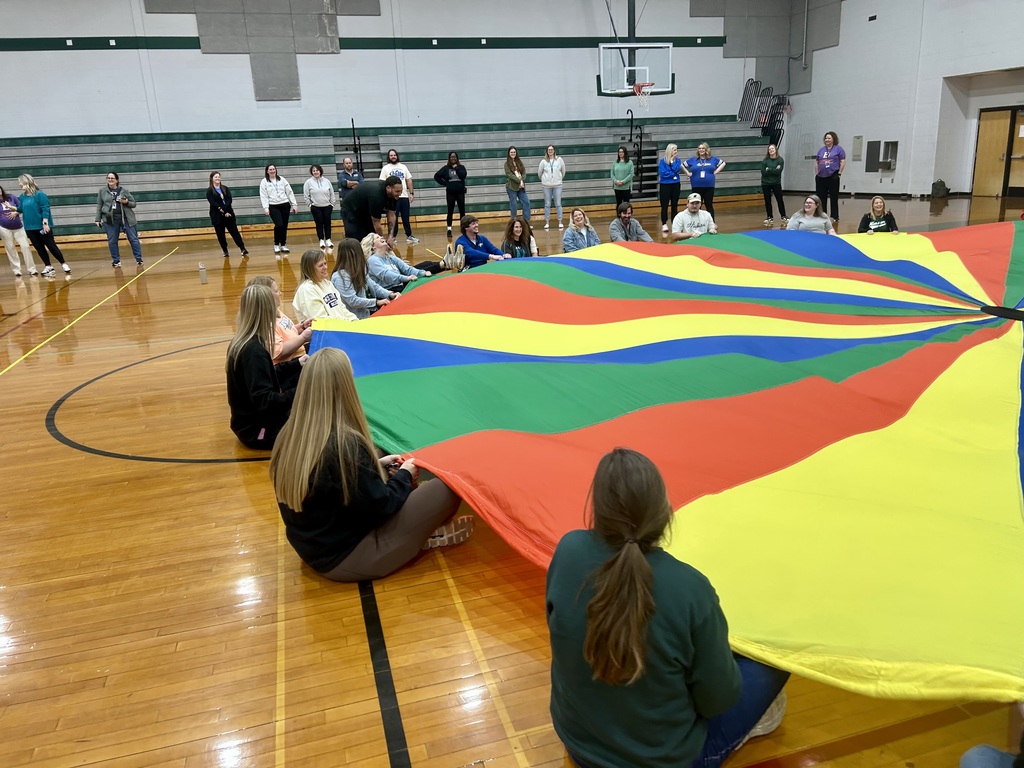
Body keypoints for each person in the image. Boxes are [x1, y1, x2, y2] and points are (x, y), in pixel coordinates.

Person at [547, 448, 790, 768]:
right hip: (666, 761)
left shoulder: (568, 550)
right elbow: (718, 700)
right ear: (664, 512)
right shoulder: (689, 588)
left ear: (598, 510)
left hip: (580, 744)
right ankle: (752, 725)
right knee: (777, 654)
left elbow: (563, 628)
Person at [270, 347, 473, 582]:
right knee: (449, 484)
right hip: (353, 556)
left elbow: (330, 483)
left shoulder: (290, 434)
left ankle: (421, 533)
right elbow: (382, 505)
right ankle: (423, 537)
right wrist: (404, 476)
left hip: (317, 547)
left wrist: (375, 466)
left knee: (382, 455)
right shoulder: (345, 444)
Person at [226, 283, 306, 450]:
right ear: (266, 312)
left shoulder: (243, 342)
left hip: (249, 424)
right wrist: (305, 388)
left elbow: (266, 375)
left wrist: (298, 364)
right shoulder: (253, 352)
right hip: (259, 431)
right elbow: (266, 402)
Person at [246, 275, 312, 363]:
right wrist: (303, 337)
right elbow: (279, 351)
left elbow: (285, 331)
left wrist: (302, 327)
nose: (280, 293)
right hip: (291, 365)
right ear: (267, 296)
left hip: (300, 355)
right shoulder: (265, 324)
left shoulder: (276, 311)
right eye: (276, 291)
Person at [362, 232, 454, 292]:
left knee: (424, 269)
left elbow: (408, 269)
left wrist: (422, 273)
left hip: (400, 285)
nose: (382, 237)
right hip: (391, 290)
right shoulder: (372, 260)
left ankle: (446, 264)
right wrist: (408, 278)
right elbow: (387, 276)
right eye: (378, 237)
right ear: (372, 246)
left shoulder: (389, 257)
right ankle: (445, 264)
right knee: (423, 280)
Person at [17, 174, 70, 276]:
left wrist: (45, 223)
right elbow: (21, 209)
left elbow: (45, 208)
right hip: (30, 227)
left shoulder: (39, 194)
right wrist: (12, 209)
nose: (19, 184)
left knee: (51, 245)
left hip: (42, 226)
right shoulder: (22, 197)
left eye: (21, 182)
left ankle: (63, 263)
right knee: (39, 248)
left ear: (27, 182)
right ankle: (48, 266)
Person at [332, 237, 397, 320]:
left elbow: (373, 286)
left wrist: (389, 294)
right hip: (352, 321)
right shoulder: (340, 277)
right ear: (352, 253)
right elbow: (353, 301)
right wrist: (376, 302)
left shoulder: (360, 269)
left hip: (366, 315)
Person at [292, 249, 357, 323]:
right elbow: (320, 320)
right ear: (310, 269)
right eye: (320, 265)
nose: (325, 267)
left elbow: (342, 308)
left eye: (325, 263)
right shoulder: (307, 289)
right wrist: (347, 322)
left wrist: (354, 321)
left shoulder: (327, 283)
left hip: (342, 328)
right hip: (327, 332)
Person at [94, 171, 143, 268]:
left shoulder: (124, 191)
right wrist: (97, 219)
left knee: (133, 239)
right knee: (112, 241)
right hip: (110, 220)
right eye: (108, 178)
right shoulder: (102, 191)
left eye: (112, 178)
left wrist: (126, 202)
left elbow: (133, 204)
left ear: (117, 180)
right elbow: (99, 205)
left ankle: (139, 259)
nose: (110, 180)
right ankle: (116, 261)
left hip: (126, 219)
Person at [340, 176, 402, 244]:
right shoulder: (377, 195)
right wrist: (383, 241)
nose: (399, 194)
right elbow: (376, 223)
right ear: (388, 188)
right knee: (355, 240)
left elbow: (391, 214)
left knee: (371, 237)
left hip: (365, 212)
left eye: (401, 191)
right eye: (397, 191)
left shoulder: (394, 195)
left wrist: (390, 236)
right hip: (351, 210)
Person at [207, 172, 249, 259]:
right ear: (212, 179)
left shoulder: (225, 188)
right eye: (216, 177)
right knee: (221, 234)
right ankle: (225, 251)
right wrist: (221, 210)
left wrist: (225, 210)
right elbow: (213, 203)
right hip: (217, 215)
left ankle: (242, 248)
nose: (218, 178)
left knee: (235, 232)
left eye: (219, 177)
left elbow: (229, 199)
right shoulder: (210, 191)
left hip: (228, 214)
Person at [379, 149, 418, 243]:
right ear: (388, 157)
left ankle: (409, 236)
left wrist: (411, 193)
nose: (393, 157)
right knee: (393, 218)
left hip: (404, 196)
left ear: (397, 156)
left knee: (406, 217)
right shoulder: (385, 168)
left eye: (394, 155)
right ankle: (393, 236)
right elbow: (382, 182)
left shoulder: (403, 167)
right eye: (391, 155)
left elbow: (409, 180)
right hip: (392, 198)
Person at [259, 164, 298, 256]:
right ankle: (276, 244)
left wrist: (294, 204)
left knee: (284, 225)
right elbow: (263, 196)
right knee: (279, 225)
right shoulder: (264, 182)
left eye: (274, 169)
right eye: (270, 169)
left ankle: (283, 244)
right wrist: (266, 208)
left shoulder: (282, 179)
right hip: (273, 206)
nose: (272, 171)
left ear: (276, 170)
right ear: (267, 171)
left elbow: (289, 192)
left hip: (284, 204)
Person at [0, 185, 38, 277]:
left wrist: (16, 212)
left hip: (18, 227)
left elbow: (22, 208)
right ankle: (17, 270)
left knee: (25, 246)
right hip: (4, 228)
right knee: (10, 249)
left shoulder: (11, 197)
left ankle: (32, 269)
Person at [683, 142, 726, 220]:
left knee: (709, 204)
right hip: (696, 185)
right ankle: (696, 223)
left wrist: (716, 172)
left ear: (706, 149)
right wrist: (687, 173)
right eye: (699, 148)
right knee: (696, 205)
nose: (701, 150)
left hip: (709, 186)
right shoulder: (693, 159)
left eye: (703, 148)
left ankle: (711, 224)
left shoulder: (713, 159)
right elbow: (682, 165)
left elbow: (723, 163)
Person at [434, 151, 468, 238]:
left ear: (457, 158)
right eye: (451, 157)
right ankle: (449, 230)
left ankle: (463, 229)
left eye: (455, 157)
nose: (453, 158)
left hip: (460, 192)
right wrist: (445, 183)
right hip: (450, 193)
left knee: (462, 211)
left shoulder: (461, 167)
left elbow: (463, 176)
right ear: (449, 159)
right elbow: (436, 176)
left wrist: (456, 168)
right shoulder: (445, 168)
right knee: (450, 211)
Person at [303, 164, 336, 250]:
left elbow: (332, 193)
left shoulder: (327, 181)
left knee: (327, 223)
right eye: (314, 171)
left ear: (320, 171)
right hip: (316, 207)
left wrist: (332, 204)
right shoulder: (308, 182)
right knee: (319, 223)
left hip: (327, 206)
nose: (315, 172)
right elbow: (306, 196)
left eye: (317, 170)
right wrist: (310, 205)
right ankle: (321, 240)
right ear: (311, 172)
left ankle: (328, 239)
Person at [814, 131, 845, 221]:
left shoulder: (838, 149)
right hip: (821, 176)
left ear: (833, 139)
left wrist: (839, 173)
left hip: (833, 175)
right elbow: (817, 162)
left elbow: (843, 161)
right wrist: (817, 173)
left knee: (833, 197)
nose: (827, 140)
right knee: (820, 197)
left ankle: (834, 216)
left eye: (829, 138)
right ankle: (822, 215)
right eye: (826, 138)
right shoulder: (821, 150)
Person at [538, 144, 567, 230]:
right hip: (546, 186)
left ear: (554, 151)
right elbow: (539, 173)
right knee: (547, 204)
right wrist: (545, 180)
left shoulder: (559, 160)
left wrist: (558, 179)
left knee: (558, 203)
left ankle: (560, 222)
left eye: (551, 149)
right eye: (549, 150)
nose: (550, 151)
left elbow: (563, 171)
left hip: (557, 185)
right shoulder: (543, 161)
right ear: (547, 151)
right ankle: (547, 222)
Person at [760, 144, 787, 227]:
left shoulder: (780, 160)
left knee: (779, 199)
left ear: (776, 150)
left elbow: (778, 172)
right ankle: (769, 216)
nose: (771, 150)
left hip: (776, 183)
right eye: (769, 149)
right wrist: (774, 169)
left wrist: (769, 169)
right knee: (767, 201)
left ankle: (783, 216)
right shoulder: (765, 161)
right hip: (766, 183)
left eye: (772, 148)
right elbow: (763, 172)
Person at [658, 143, 682, 233]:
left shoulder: (678, 160)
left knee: (674, 204)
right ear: (670, 150)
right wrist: (673, 174)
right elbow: (663, 174)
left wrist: (672, 161)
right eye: (674, 150)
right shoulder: (662, 161)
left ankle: (674, 223)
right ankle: (664, 223)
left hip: (675, 184)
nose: (676, 151)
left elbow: (677, 170)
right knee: (664, 205)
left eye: (676, 150)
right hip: (665, 185)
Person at [505, 146, 531, 221]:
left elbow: (524, 172)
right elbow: (509, 175)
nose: (513, 153)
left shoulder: (519, 162)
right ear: (509, 153)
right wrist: (519, 181)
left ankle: (526, 222)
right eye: (511, 152)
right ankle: (513, 222)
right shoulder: (506, 164)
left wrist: (522, 180)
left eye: (514, 152)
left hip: (521, 187)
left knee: (527, 203)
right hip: (511, 187)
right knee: (514, 205)